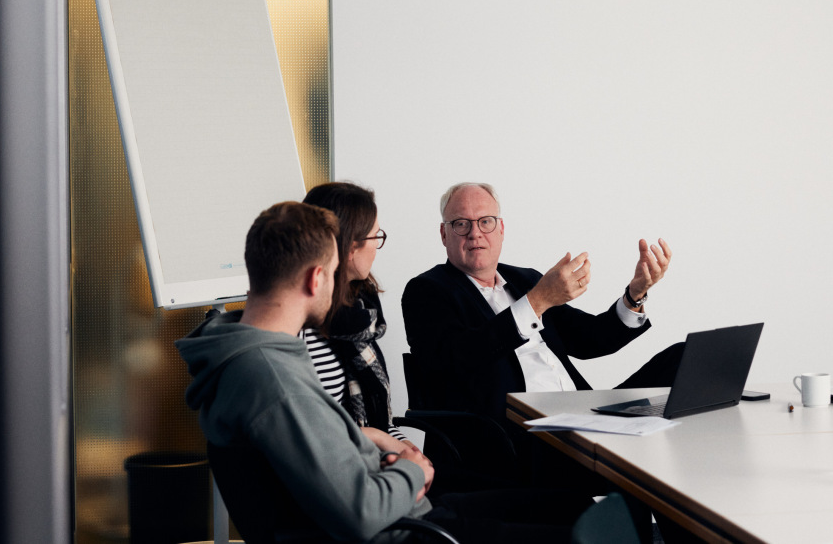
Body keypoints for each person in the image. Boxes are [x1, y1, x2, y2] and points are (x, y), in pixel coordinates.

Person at [176, 201, 588, 543]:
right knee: (589, 530)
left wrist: (360, 435)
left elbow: (297, 446)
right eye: (335, 270)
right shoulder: (273, 379)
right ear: (316, 277)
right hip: (405, 531)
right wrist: (415, 469)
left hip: (405, 510)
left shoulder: (253, 353)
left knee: (577, 506)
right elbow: (361, 513)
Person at [402, 182, 686, 425]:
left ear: (500, 229)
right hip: (516, 435)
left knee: (683, 358)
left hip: (584, 415)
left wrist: (635, 294)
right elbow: (459, 360)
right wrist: (537, 301)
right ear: (444, 234)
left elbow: (591, 340)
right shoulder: (427, 291)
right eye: (461, 224)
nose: (475, 233)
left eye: (485, 221)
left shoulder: (524, 279)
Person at [301, 182, 412, 451]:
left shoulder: (359, 317)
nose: (377, 247)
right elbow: (312, 438)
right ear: (351, 246)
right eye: (376, 237)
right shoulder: (300, 333)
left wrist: (405, 446)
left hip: (372, 463)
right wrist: (387, 444)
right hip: (347, 476)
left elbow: (380, 422)